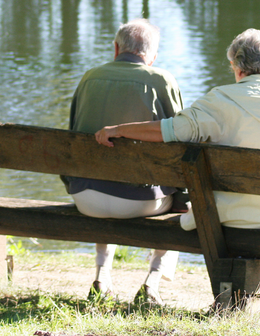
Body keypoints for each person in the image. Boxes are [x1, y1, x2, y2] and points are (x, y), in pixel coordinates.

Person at [95, 28, 260, 310]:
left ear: (235, 65)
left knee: (200, 209)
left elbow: (170, 130)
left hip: (238, 215)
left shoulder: (221, 100)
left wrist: (119, 130)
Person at [63, 18, 183, 305]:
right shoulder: (161, 80)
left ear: (116, 48)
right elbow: (181, 145)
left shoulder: (89, 77)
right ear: (152, 55)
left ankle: (102, 275)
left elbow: (70, 138)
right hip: (140, 202)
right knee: (178, 200)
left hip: (86, 197)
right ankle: (152, 281)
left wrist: (74, 184)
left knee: (105, 170)